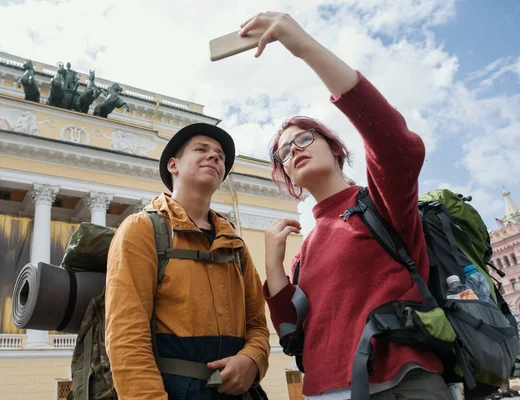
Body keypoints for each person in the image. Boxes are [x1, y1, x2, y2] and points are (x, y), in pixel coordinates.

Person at [240, 11, 452, 400]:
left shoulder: (379, 203)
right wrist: (273, 267)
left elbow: (397, 144)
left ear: (335, 147)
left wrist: (304, 47)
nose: (294, 151)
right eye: (285, 152)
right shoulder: (304, 251)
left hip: (399, 383)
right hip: (323, 392)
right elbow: (292, 331)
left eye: (304, 138)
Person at [104, 122, 270, 399]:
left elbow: (257, 325)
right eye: (201, 149)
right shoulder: (142, 229)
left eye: (220, 155)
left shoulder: (235, 245)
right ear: (173, 165)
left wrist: (253, 359)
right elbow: (127, 337)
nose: (215, 156)